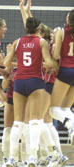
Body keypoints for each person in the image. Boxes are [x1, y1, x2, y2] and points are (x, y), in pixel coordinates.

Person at [4, 17, 59, 167]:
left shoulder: (17, 42)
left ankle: (12, 158)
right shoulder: (42, 42)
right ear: (38, 28)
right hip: (35, 81)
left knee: (18, 122)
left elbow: (6, 61)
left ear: (26, 28)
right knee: (35, 121)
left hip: (19, 81)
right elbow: (48, 63)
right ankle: (32, 158)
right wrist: (53, 64)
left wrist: (17, 61)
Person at [49, 9, 74, 145]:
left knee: (53, 109)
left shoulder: (61, 32)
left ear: (68, 19)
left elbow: (57, 55)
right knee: (65, 108)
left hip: (66, 70)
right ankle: (73, 128)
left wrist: (53, 52)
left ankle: (70, 125)